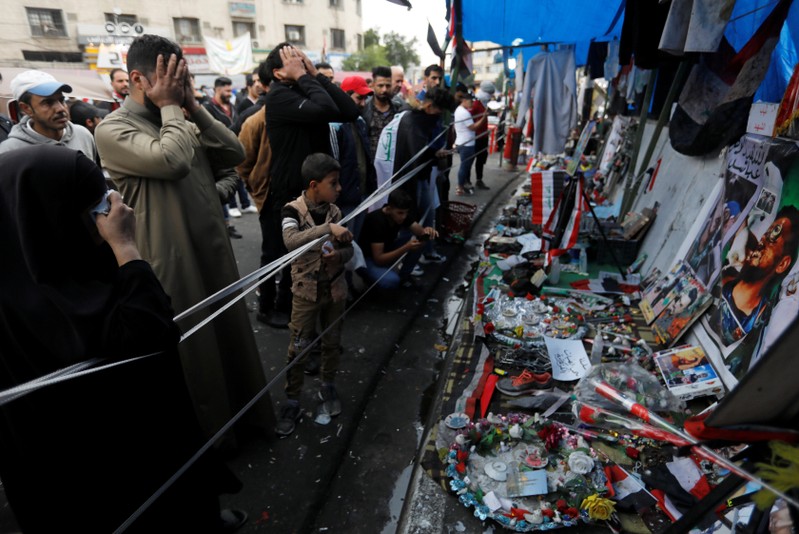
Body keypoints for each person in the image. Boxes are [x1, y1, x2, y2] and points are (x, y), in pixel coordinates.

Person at [0, 145, 246, 533]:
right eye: (93, 202)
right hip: (106, 462)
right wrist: (126, 248)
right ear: (52, 210)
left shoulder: (67, 258)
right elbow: (149, 340)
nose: (110, 209)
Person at [95, 34, 274, 446]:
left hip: (212, 249)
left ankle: (251, 423)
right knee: (198, 357)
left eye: (182, 76)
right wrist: (173, 106)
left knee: (233, 341)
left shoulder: (180, 113)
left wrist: (192, 105)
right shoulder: (113, 129)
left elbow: (233, 153)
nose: (178, 84)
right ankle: (213, 446)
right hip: (171, 260)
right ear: (139, 78)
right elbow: (170, 160)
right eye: (170, 77)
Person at [260, 42, 360, 328]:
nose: (301, 64)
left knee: (306, 256)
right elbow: (324, 109)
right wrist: (307, 78)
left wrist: (315, 74)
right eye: (294, 61)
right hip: (287, 193)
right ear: (278, 73)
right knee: (278, 254)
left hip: (312, 191)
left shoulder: (303, 89)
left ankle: (293, 311)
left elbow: (349, 110)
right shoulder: (279, 96)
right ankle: (269, 309)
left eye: (302, 59)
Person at [277, 153, 354, 436]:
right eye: (333, 183)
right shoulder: (292, 211)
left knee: (332, 342)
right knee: (298, 346)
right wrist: (326, 230)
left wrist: (339, 255)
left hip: (334, 290)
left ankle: (327, 385)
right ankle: (292, 399)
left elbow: (350, 249)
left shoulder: (335, 211)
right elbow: (290, 241)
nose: (339, 188)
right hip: (305, 293)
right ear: (314, 185)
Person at [374, 87, 455, 270]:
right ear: (429, 105)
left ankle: (421, 255)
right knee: (409, 220)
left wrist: (435, 153)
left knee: (427, 216)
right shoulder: (413, 120)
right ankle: (405, 262)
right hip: (409, 179)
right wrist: (435, 154)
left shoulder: (423, 119)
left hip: (422, 177)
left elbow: (424, 151)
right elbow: (417, 154)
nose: (438, 115)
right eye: (438, 110)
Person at [716, 206, 799, 374]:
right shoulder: (727, 275)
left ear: (782, 264)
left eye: (773, 239)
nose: (762, 241)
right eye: (766, 234)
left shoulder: (760, 318)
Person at [0, 70, 96, 160]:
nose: (61, 108)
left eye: (62, 100)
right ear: (26, 108)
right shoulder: (9, 151)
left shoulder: (83, 135)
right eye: (48, 103)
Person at [358, 188, 438, 290]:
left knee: (419, 242)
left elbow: (420, 232)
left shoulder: (400, 214)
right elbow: (379, 259)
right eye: (400, 213)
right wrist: (406, 247)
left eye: (406, 213)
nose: (404, 217)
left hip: (385, 251)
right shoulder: (376, 221)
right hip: (367, 260)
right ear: (389, 208)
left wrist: (427, 232)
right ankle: (371, 282)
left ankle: (404, 278)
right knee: (391, 281)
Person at [330, 75, 376, 240]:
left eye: (365, 98)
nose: (363, 103)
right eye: (359, 98)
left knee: (354, 240)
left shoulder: (360, 121)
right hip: (344, 197)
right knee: (344, 243)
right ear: (345, 96)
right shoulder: (334, 124)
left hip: (362, 193)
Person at [363, 65, 409, 162]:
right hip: (370, 165)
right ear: (373, 85)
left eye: (388, 86)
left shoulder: (399, 108)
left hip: (393, 165)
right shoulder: (364, 109)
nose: (384, 90)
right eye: (380, 86)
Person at [456, 84, 490, 190]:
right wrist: (484, 117)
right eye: (470, 100)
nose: (472, 102)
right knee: (465, 165)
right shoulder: (466, 111)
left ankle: (465, 184)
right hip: (468, 142)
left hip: (471, 140)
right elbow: (473, 127)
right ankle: (462, 185)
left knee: (471, 163)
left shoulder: (465, 110)